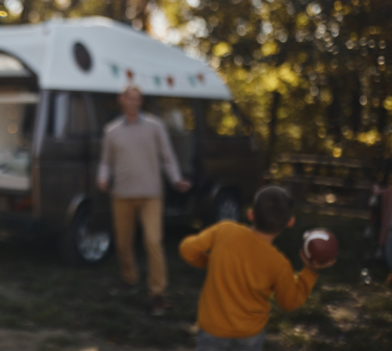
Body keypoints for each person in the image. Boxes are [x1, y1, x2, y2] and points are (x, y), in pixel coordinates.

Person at [179, 186, 335, 351]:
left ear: (251, 214)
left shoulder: (225, 230)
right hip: (249, 335)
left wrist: (210, 262)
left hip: (213, 330)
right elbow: (290, 302)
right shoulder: (279, 264)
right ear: (290, 222)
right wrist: (310, 271)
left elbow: (187, 249)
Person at [96, 85, 191, 316]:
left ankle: (158, 293)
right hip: (122, 195)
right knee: (123, 243)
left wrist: (176, 179)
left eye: (138, 99)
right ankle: (129, 279)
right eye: (130, 98)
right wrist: (103, 177)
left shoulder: (155, 126)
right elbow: (106, 161)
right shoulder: (112, 131)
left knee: (153, 241)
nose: (134, 102)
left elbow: (168, 157)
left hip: (151, 195)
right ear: (121, 100)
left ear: (141, 102)